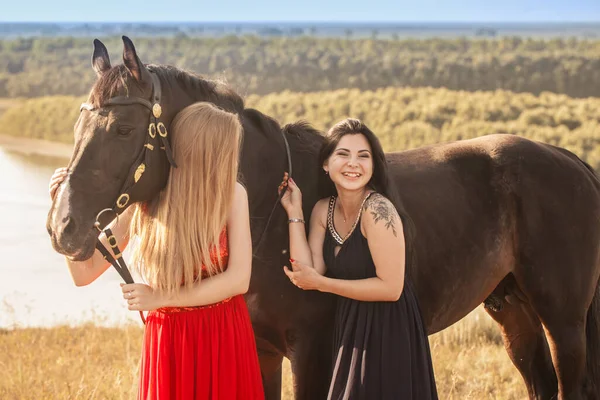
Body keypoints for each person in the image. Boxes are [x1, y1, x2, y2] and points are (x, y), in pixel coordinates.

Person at [49, 102, 264, 400]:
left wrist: (162, 297)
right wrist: (63, 209)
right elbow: (84, 273)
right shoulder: (144, 201)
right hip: (170, 337)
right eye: (227, 149)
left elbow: (239, 279)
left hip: (223, 333)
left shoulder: (232, 195)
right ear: (205, 150)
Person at [280, 118, 438, 399]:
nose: (353, 163)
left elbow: (391, 288)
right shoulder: (322, 210)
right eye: (343, 154)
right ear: (326, 164)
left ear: (373, 166)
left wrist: (323, 284)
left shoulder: (379, 210)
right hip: (351, 323)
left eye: (363, 156)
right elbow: (308, 270)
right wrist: (295, 212)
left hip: (389, 328)